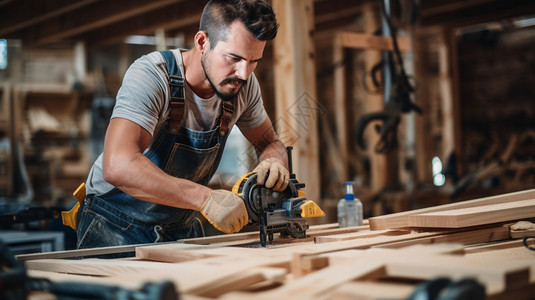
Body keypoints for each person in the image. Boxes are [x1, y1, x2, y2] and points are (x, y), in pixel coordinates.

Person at [76, 0, 289, 249]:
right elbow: (118, 165)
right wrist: (205, 199)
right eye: (234, 58)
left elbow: (268, 142)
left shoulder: (243, 86)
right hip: (114, 222)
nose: (244, 73)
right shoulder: (152, 75)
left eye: (254, 61)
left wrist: (274, 160)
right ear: (202, 42)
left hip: (180, 225)